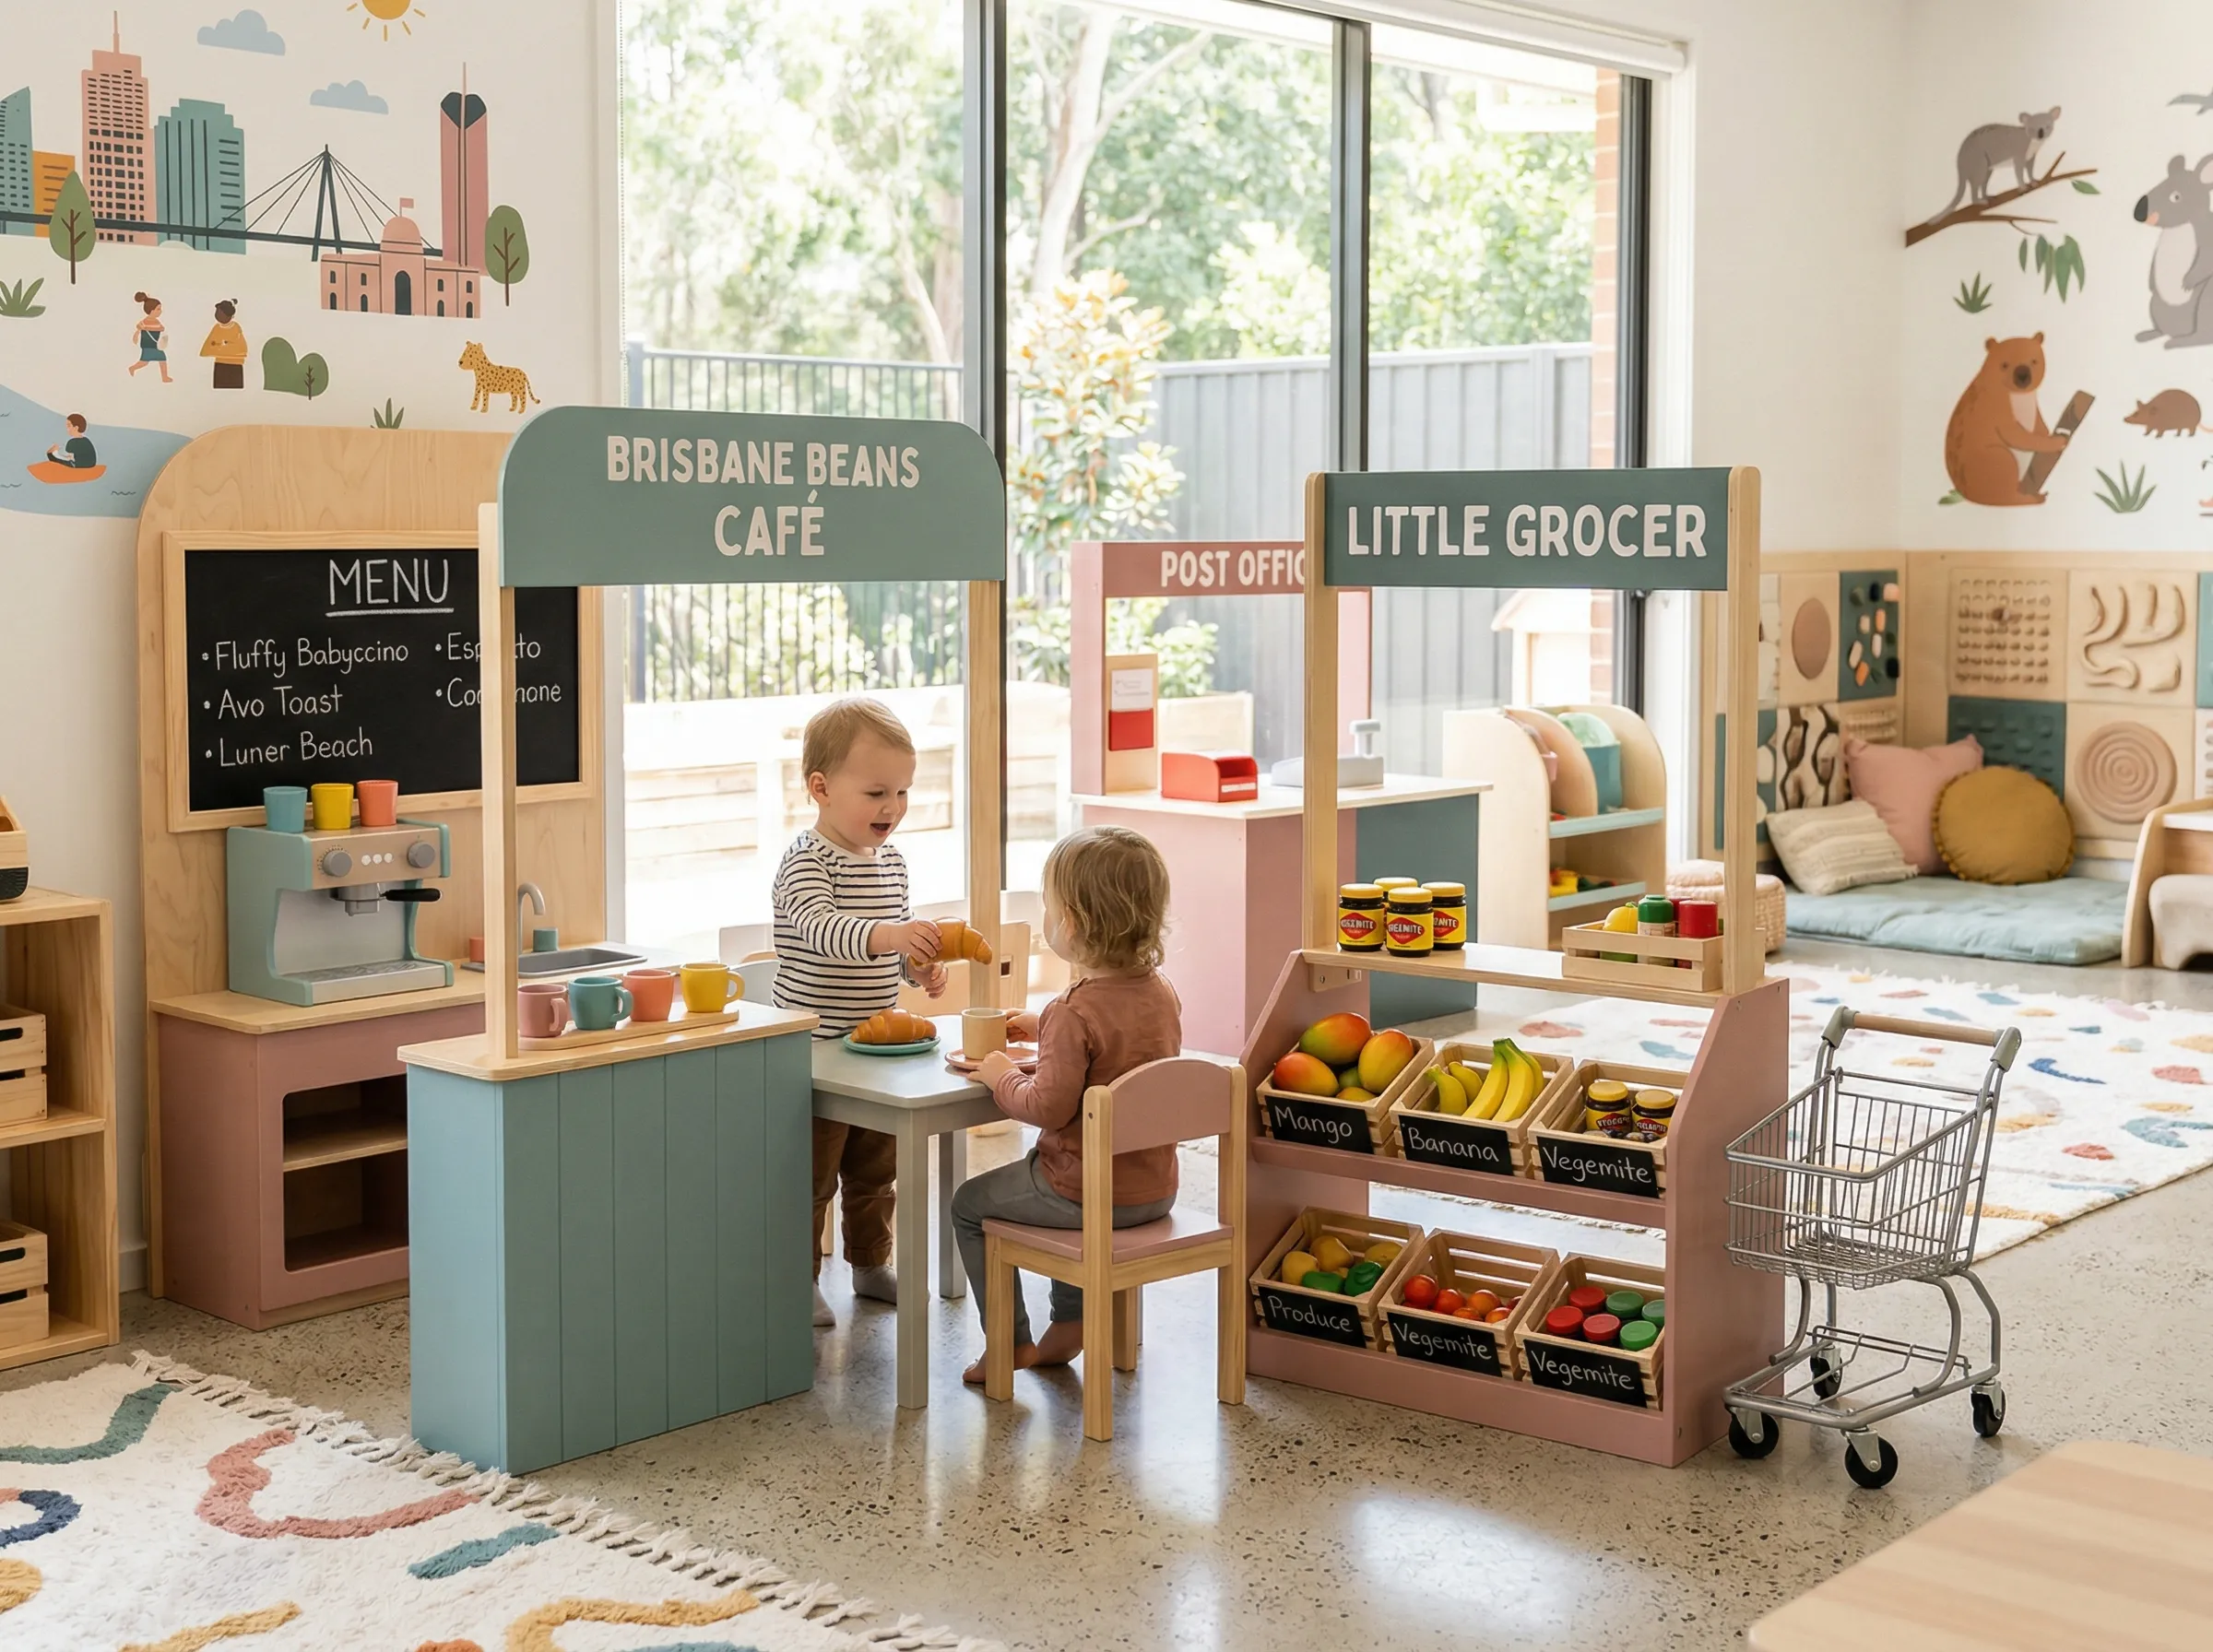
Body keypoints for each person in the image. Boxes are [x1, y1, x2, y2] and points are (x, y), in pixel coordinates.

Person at [954, 825, 1180, 1385]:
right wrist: (1044, 1033)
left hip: (1085, 1193)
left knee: (969, 1204)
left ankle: (1007, 1342)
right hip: (1153, 1191)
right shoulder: (1162, 993)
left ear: (1072, 923)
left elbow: (1048, 1108)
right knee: (1063, 1186)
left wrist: (1001, 1073)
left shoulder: (1073, 1010)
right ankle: (1070, 1324)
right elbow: (1120, 1060)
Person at [772, 697, 947, 1328]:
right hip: (814, 1051)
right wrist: (891, 937)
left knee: (876, 1169)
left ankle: (870, 1264)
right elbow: (824, 929)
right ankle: (798, 1278)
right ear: (820, 788)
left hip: (875, 1050)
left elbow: (886, 947)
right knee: (811, 1177)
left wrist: (916, 965)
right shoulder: (806, 861)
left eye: (902, 791)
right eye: (876, 791)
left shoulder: (892, 864)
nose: (892, 807)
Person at [200, 300, 247, 389]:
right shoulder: (216, 328)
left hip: (235, 365)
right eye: (217, 312)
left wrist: (220, 347)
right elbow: (207, 347)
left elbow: (240, 348)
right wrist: (222, 346)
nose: (218, 315)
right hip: (220, 364)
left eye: (221, 313)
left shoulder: (235, 328)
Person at [127, 292, 170, 383]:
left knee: (162, 359)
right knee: (145, 362)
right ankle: (132, 368)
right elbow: (138, 326)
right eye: (158, 309)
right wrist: (138, 333)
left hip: (155, 345)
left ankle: (165, 377)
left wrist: (147, 328)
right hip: (148, 345)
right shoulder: (145, 321)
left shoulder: (156, 321)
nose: (160, 311)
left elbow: (162, 328)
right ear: (151, 311)